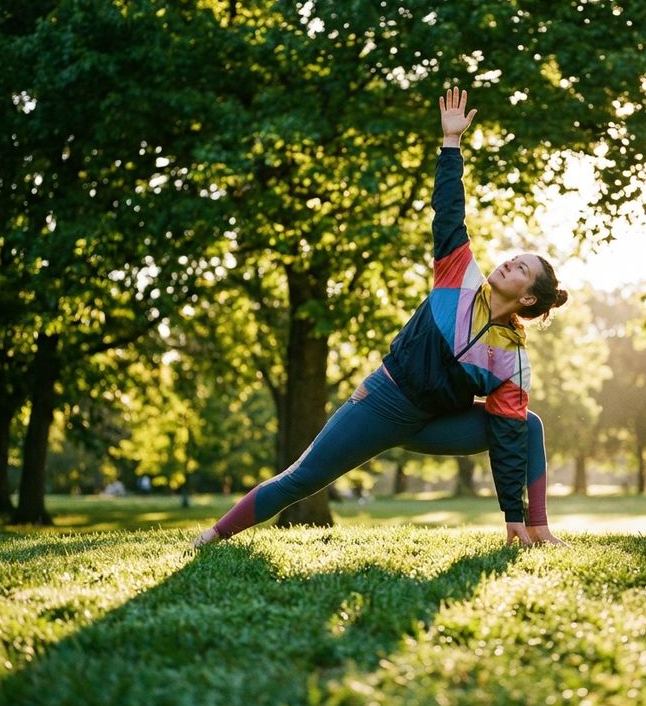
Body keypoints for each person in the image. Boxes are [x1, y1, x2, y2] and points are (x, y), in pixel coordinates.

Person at [192, 88, 568, 549]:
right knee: (304, 477)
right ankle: (212, 535)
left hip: (433, 423)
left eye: (522, 268)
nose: (509, 262)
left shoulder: (512, 361)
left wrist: (515, 516)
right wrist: (451, 143)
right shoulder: (459, 278)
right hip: (382, 402)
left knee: (527, 424)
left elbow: (508, 437)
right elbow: (449, 211)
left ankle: (540, 530)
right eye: (514, 257)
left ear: (529, 300)